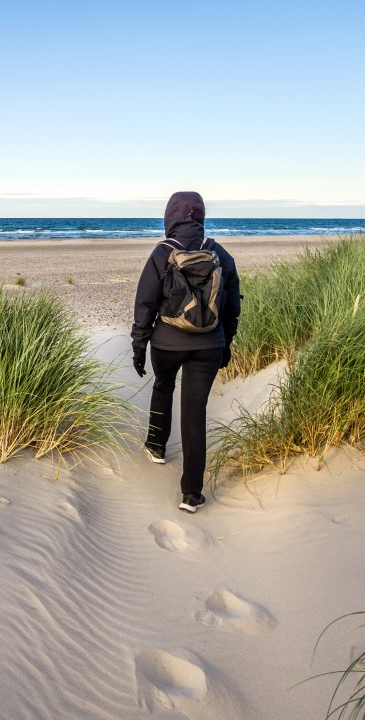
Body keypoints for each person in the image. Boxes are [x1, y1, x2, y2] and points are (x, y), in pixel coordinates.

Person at [130, 191, 241, 513]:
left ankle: (156, 447)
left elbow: (145, 303)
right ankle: (191, 494)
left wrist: (139, 344)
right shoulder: (219, 253)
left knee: (163, 387)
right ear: (201, 216)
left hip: (166, 342)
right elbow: (232, 307)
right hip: (209, 344)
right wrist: (226, 343)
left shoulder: (162, 252)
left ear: (170, 217)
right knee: (195, 414)